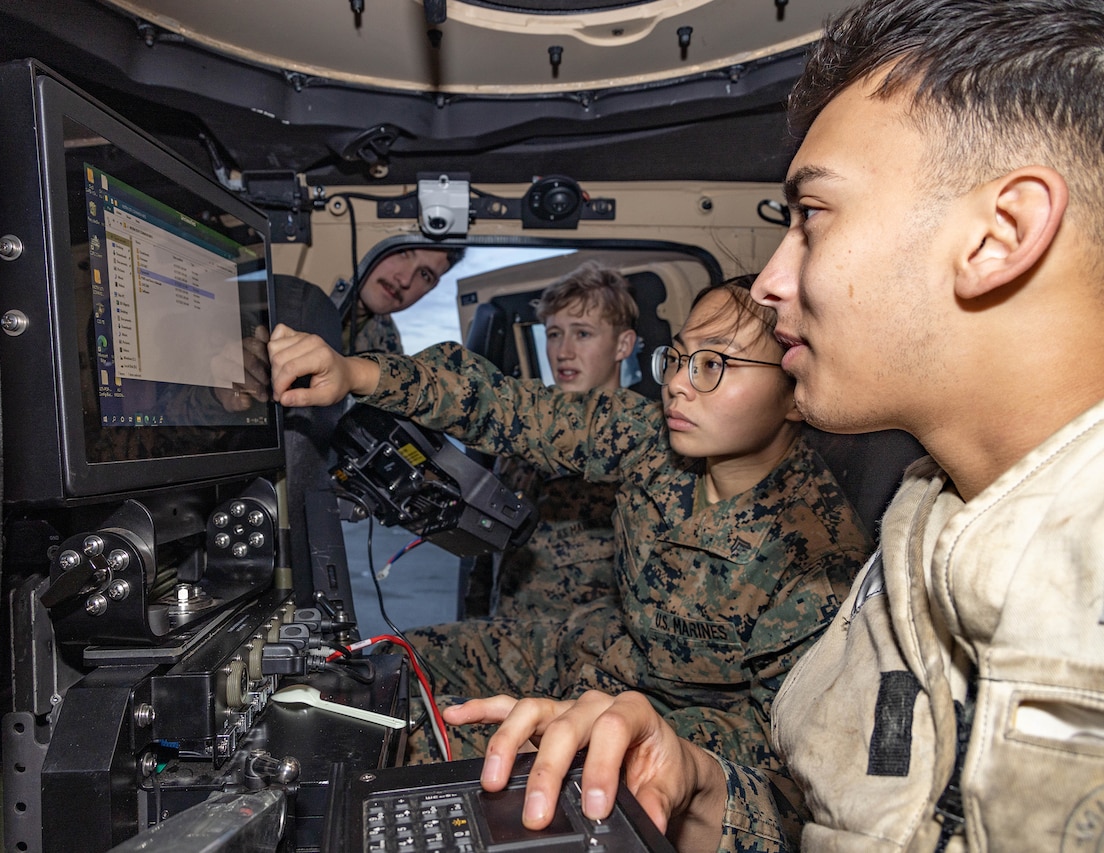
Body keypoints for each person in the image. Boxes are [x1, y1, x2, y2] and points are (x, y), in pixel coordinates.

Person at [427, 2, 1104, 851]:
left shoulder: (1025, 579)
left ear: (999, 234)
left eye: (812, 216)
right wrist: (696, 780)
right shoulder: (915, 534)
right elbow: (816, 809)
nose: (775, 281)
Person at [268, 274, 873, 774]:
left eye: (714, 364)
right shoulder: (649, 441)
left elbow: (778, 747)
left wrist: (621, 732)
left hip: (657, 731)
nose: (680, 386)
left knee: (399, 748)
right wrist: (356, 375)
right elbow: (508, 408)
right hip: (576, 650)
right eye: (680, 358)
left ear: (798, 391)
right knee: (377, 677)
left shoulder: (817, 558)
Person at [481, 261, 640, 618]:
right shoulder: (520, 438)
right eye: (554, 334)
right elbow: (489, 558)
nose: (563, 351)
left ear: (622, 345)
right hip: (505, 645)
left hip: (589, 657)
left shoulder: (643, 446)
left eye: (582, 334)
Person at [337, 246, 465, 354]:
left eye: (424, 274)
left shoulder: (388, 343)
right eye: (402, 252)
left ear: (432, 287)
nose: (405, 280)